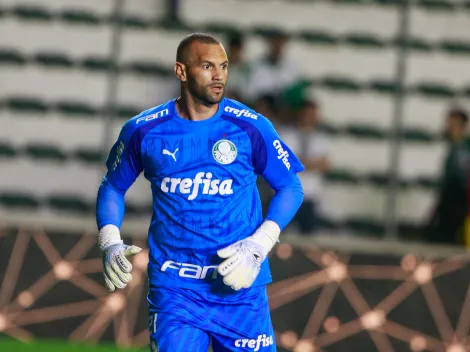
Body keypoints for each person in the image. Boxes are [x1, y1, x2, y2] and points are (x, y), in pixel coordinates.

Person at [96, 33, 304, 351]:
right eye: (207, 66)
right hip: (175, 291)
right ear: (181, 71)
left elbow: (291, 186)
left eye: (223, 66)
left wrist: (259, 245)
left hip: (240, 288)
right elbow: (112, 186)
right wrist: (109, 242)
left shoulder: (251, 127)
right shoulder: (144, 129)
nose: (218, 75)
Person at [424, 108, 470, 245]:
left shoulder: (464, 149)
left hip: (460, 201)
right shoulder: (455, 147)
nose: (448, 127)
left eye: (452, 124)